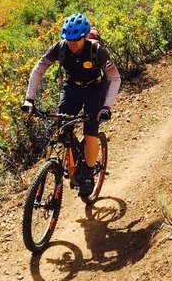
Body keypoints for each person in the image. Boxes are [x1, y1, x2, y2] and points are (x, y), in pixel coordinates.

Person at [21, 13, 121, 198]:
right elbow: (38, 70)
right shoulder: (60, 48)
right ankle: (74, 159)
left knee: (90, 133)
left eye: (76, 38)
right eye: (68, 39)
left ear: (84, 36)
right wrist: (29, 99)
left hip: (95, 88)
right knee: (62, 132)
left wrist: (106, 107)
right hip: (72, 87)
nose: (72, 42)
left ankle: (89, 173)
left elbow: (114, 78)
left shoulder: (96, 50)